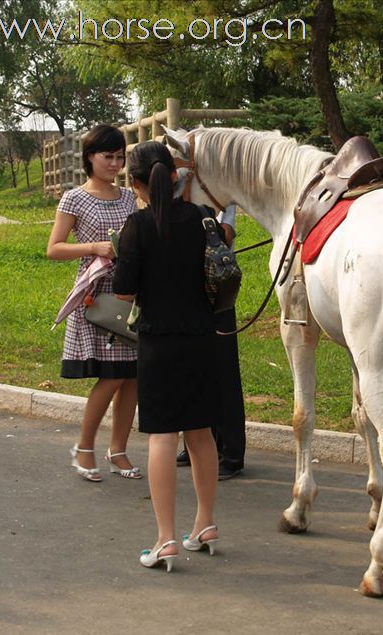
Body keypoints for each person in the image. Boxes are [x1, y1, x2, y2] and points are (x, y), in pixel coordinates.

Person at [113, 140, 219, 572]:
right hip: (200, 337)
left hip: (158, 341)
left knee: (161, 437)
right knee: (200, 433)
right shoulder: (200, 218)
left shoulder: (135, 227)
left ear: (135, 183)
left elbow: (124, 290)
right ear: (175, 176)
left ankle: (165, 538)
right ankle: (206, 525)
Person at [47, 124, 141, 482]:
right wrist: (94, 247)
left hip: (131, 293)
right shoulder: (74, 198)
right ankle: (84, 448)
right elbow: (53, 248)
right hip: (96, 294)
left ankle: (118, 449)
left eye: (119, 157)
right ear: (90, 157)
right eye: (108, 156)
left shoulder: (129, 196)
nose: (115, 163)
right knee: (110, 377)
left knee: (132, 376)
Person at [176, 205, 246, 480]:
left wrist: (222, 223)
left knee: (223, 369)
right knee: (191, 368)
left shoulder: (214, 187)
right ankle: (198, 443)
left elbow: (226, 229)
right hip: (188, 289)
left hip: (217, 285)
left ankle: (231, 452)